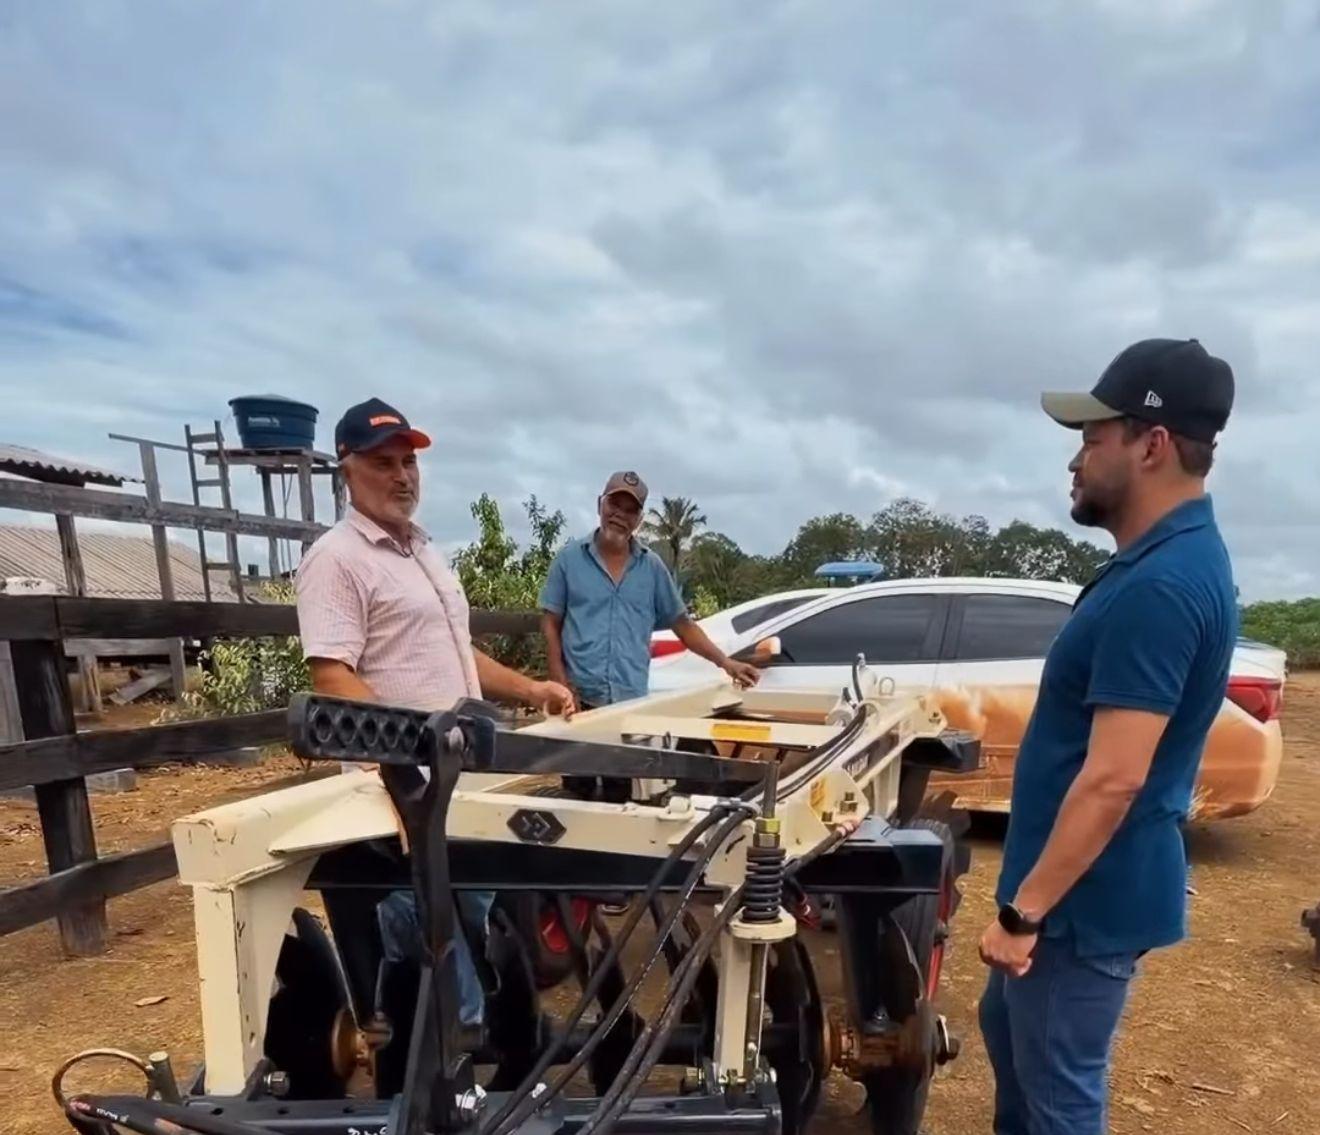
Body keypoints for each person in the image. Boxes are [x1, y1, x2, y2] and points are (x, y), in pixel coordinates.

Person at [977, 338, 1237, 1134]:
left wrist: (1024, 916)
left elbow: (1114, 778)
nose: (1076, 460)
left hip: (1076, 910)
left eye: (1093, 438)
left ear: (1152, 445)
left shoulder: (1161, 584)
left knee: (1059, 1100)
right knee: (1016, 1048)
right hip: (1069, 898)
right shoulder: (1160, 563)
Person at [295, 396, 576, 1029]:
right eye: (384, 463)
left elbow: (456, 650)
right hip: (402, 786)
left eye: (408, 463)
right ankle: (439, 1066)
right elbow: (333, 675)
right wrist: (405, 757)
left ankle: (473, 1044)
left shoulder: (422, 551)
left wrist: (531, 689)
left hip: (456, 773)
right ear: (346, 469)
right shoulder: (336, 560)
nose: (402, 476)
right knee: (423, 928)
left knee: (470, 914)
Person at [539, 471, 762, 802]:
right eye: (615, 503)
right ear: (601, 504)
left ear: (639, 519)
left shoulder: (652, 567)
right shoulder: (569, 560)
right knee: (576, 795)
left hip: (630, 706)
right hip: (579, 701)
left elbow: (682, 624)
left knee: (624, 796)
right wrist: (558, 679)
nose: (620, 515)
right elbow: (550, 620)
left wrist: (726, 662)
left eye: (630, 510)